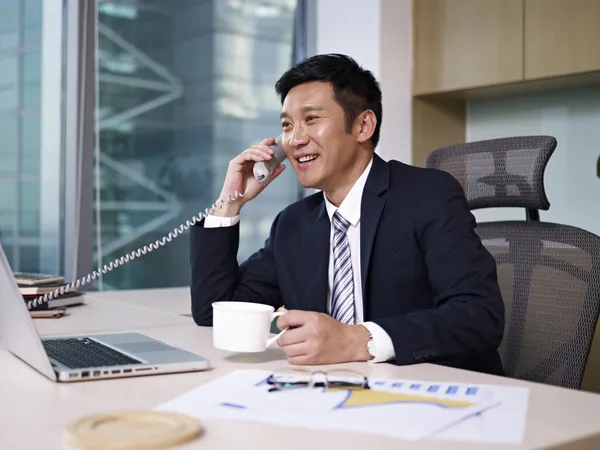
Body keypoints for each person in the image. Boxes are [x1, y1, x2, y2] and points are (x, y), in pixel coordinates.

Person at [190, 53, 505, 375]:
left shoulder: (426, 194)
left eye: (311, 119)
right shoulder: (294, 223)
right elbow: (215, 312)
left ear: (363, 125)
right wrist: (229, 203)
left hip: (429, 392)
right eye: (287, 125)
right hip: (334, 391)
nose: (295, 140)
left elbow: (479, 316)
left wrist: (357, 341)